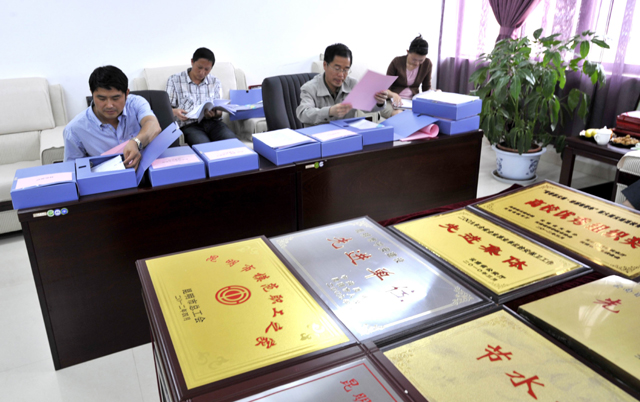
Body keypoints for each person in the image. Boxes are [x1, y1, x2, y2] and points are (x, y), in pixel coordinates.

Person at [63, 65, 161, 170]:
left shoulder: (136, 103)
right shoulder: (74, 130)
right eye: (102, 98)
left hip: (148, 171)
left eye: (116, 98)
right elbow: (72, 170)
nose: (109, 105)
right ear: (92, 93)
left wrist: (136, 142)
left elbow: (153, 125)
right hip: (106, 178)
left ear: (126, 93)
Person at [297, 43, 389, 127]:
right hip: (318, 136)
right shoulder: (309, 88)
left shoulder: (352, 84)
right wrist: (329, 111)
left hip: (347, 134)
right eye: (337, 68)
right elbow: (303, 114)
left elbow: (367, 107)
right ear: (325, 65)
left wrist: (379, 102)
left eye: (345, 70)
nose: (341, 74)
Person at [166, 47, 237, 145]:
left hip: (213, 123)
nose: (202, 72)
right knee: (204, 146)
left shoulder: (215, 81)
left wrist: (214, 114)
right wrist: (175, 112)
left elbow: (219, 112)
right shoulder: (174, 80)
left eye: (207, 69)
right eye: (199, 67)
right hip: (189, 125)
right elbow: (167, 109)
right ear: (192, 62)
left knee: (233, 142)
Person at [384, 35, 433, 117]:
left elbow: (426, 89)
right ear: (408, 52)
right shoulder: (396, 62)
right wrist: (393, 94)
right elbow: (385, 88)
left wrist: (435, 92)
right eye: (414, 59)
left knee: (430, 115)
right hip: (392, 102)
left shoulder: (427, 64)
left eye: (421, 60)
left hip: (412, 103)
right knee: (400, 115)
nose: (417, 63)